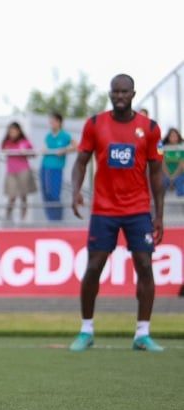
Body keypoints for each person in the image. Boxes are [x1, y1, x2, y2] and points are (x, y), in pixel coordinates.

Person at [70, 74, 165, 352]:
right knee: (93, 267)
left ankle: (142, 334)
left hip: (137, 209)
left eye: (124, 92)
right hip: (104, 209)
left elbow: (157, 174)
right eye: (115, 92)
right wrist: (75, 190)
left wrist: (158, 215)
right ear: (110, 94)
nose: (119, 96)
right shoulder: (95, 124)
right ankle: (86, 330)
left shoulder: (149, 128)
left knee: (145, 267)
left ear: (133, 94)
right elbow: (80, 162)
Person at [40, 112, 76, 221]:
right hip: (45, 166)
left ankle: (57, 219)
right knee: (46, 194)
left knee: (54, 194)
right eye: (50, 121)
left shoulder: (65, 135)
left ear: (59, 122)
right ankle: (50, 219)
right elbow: (45, 147)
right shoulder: (48, 136)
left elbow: (77, 146)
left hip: (56, 168)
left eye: (54, 121)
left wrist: (65, 150)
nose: (52, 123)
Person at [1, 121, 36, 220]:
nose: (12, 133)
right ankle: (7, 217)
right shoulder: (7, 142)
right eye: (10, 131)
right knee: (11, 196)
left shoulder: (24, 141)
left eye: (14, 131)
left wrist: (25, 152)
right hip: (11, 172)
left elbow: (33, 154)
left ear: (19, 131)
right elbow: (2, 150)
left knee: (23, 196)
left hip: (23, 171)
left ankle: (23, 219)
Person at [161, 128, 184, 196]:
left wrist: (173, 177)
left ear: (178, 137)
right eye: (171, 136)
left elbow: (182, 165)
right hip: (167, 175)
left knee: (180, 185)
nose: (173, 138)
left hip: (180, 175)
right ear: (168, 137)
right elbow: (162, 163)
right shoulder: (164, 148)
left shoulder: (182, 148)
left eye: (175, 136)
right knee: (161, 183)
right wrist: (169, 176)